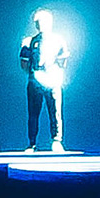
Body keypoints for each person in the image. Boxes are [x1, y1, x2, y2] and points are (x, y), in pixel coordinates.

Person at [19, 10, 72, 153]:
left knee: (55, 112)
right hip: (35, 82)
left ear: (50, 22)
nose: (40, 25)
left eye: (42, 21)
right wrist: (34, 75)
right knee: (33, 113)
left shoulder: (59, 40)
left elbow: (63, 61)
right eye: (37, 22)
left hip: (53, 81)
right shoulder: (28, 41)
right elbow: (23, 63)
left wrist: (54, 74)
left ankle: (56, 141)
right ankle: (32, 143)